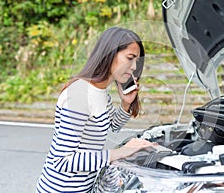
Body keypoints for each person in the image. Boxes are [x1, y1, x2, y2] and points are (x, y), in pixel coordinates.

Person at [36, 27, 154, 192]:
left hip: (83, 187)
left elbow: (112, 125)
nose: (134, 66)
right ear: (110, 54)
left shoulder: (100, 91)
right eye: (130, 58)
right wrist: (120, 152)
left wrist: (126, 103)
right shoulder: (79, 94)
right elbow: (62, 160)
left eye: (137, 61)